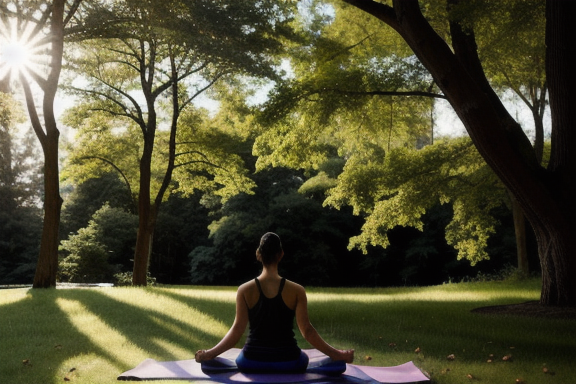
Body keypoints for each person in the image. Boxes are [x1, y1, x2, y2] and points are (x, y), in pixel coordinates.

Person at [195, 232, 354, 373]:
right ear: (281, 254)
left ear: (258, 254)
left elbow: (237, 330)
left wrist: (209, 354)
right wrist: (337, 355)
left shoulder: (244, 290)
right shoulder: (297, 290)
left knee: (236, 358)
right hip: (290, 362)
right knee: (305, 358)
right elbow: (307, 331)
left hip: (251, 362)